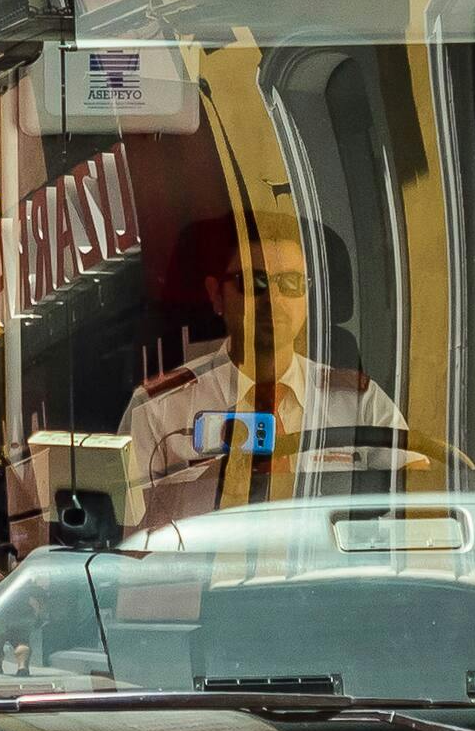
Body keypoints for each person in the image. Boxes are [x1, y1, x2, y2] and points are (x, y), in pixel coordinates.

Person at [119, 214, 420, 540]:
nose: (273, 301)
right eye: (253, 283)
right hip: (207, 584)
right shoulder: (158, 409)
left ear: (309, 298)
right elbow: (130, 535)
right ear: (217, 295)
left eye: (290, 283)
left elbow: (420, 497)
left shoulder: (358, 401)